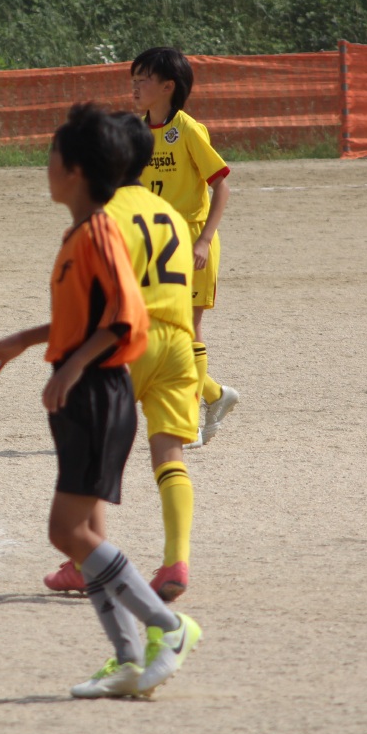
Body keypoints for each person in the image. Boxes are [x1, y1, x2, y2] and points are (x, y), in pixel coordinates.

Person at [0, 103, 201, 699]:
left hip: (100, 390)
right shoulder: (82, 233)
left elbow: (126, 317)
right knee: (76, 532)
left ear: (76, 170)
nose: (47, 166)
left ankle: (167, 626)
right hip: (87, 390)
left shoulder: (102, 232)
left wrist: (74, 366)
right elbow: (82, 319)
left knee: (69, 530)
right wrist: (26, 342)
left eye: (53, 156)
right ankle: (128, 657)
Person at [43, 112, 199, 602]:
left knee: (91, 448)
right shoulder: (170, 213)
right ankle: (176, 560)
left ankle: (85, 560)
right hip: (179, 341)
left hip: (130, 340)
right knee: (169, 456)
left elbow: (107, 300)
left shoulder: (106, 215)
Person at [131, 47, 239, 448]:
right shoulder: (137, 132)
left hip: (192, 242)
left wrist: (205, 240)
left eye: (143, 79)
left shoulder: (189, 130)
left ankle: (186, 418)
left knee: (188, 329)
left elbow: (221, 186)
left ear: (168, 87)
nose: (135, 87)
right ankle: (216, 394)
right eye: (133, 80)